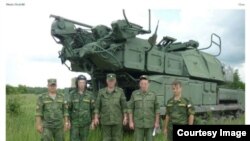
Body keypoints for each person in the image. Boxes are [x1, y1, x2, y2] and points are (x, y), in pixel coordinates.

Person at [93, 73, 127, 141]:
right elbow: (97, 106)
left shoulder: (120, 91)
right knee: (106, 139)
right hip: (105, 121)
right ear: (107, 81)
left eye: (112, 81)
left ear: (115, 81)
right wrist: (96, 118)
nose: (111, 82)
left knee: (117, 139)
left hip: (117, 120)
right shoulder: (101, 92)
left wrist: (125, 117)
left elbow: (124, 106)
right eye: (109, 81)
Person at [128, 75, 160, 141]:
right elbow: (130, 109)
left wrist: (157, 122)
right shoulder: (134, 94)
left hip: (150, 124)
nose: (143, 85)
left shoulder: (153, 95)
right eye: (142, 83)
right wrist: (131, 121)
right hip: (138, 124)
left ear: (148, 84)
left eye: (145, 84)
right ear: (139, 84)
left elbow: (157, 109)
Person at [68, 75, 95, 141]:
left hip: (86, 124)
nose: (81, 84)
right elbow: (68, 109)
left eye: (83, 82)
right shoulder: (72, 94)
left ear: (86, 83)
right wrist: (68, 121)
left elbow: (93, 110)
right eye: (80, 82)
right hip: (74, 124)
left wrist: (93, 121)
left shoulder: (90, 95)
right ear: (77, 83)